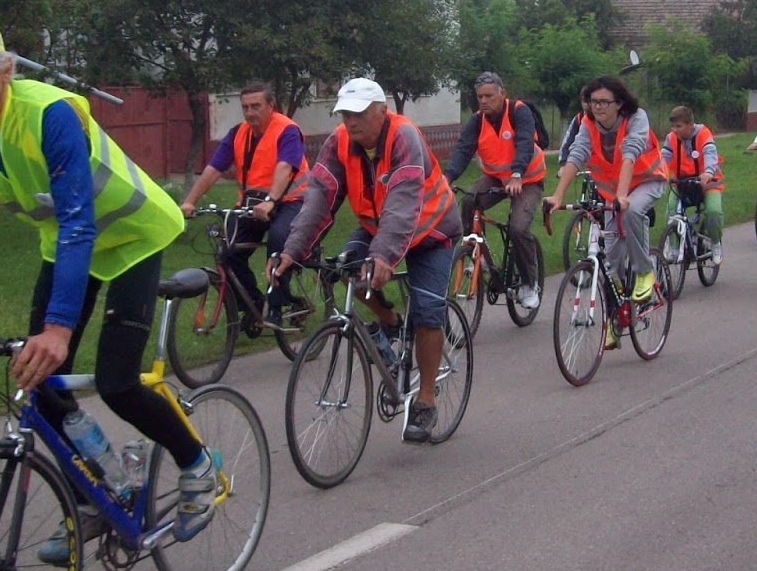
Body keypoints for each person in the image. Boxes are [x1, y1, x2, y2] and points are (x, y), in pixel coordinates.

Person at [0, 15, 213, 561]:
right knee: (38, 382)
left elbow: (76, 218)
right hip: (68, 247)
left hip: (133, 235)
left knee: (116, 382)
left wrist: (58, 329)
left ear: (6, 68)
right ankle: (97, 493)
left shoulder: (50, 112)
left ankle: (197, 464)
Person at [273, 78, 460, 444]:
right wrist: (292, 250)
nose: (351, 121)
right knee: (344, 269)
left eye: (359, 113)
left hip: (432, 230)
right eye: (345, 114)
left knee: (427, 313)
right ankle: (390, 321)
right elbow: (319, 198)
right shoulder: (339, 142)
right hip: (378, 226)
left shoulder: (403, 137)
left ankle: (425, 398)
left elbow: (403, 202)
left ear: (381, 111)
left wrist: (383, 256)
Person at [543, 74, 669, 343]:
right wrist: (557, 195)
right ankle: (617, 318)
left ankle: (644, 270)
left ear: (619, 103)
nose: (597, 107)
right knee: (611, 261)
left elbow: (630, 154)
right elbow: (577, 155)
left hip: (647, 180)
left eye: (603, 102)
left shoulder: (636, 118)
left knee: (632, 211)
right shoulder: (588, 124)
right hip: (613, 191)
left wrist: (622, 196)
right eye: (593, 101)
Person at [179, 81, 309, 330]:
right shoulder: (238, 133)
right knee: (227, 252)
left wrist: (271, 201)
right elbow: (214, 169)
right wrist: (189, 201)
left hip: (291, 201)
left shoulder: (287, 130)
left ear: (271, 105)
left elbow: (285, 167)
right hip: (254, 205)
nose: (250, 112)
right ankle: (253, 304)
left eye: (256, 106)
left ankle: (276, 307)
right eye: (245, 107)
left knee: (279, 241)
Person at [443, 71, 545, 310]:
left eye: (489, 96)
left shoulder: (519, 112)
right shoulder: (477, 120)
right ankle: (476, 253)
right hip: (496, 178)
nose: (484, 101)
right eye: (480, 97)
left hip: (527, 179)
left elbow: (524, 142)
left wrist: (517, 173)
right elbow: (463, 149)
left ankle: (530, 284)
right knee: (469, 200)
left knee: (518, 228)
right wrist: (446, 178)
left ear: (502, 94)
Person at [660, 105, 724, 265]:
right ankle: (674, 247)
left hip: (707, 182)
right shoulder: (671, 138)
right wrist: (657, 174)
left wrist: (708, 172)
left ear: (690, 124)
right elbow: (664, 157)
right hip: (682, 182)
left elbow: (710, 153)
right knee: (671, 211)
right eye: (673, 126)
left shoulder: (703, 134)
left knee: (713, 211)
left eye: (679, 126)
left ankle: (715, 243)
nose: (674, 130)